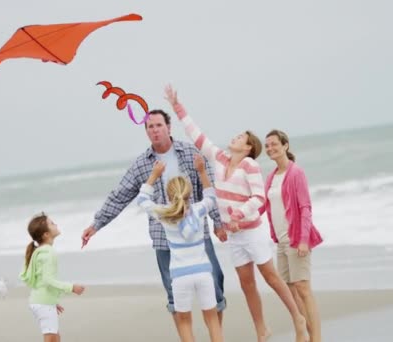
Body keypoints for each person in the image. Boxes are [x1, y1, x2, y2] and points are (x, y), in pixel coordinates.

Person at [165, 85, 308, 342]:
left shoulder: (249, 165)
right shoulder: (219, 159)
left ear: (249, 147)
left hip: (252, 231)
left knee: (271, 277)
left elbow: (258, 198)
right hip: (234, 236)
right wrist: (177, 107)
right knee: (246, 283)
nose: (235, 137)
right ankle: (261, 330)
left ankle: (298, 317)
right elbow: (197, 136)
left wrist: (239, 215)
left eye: (241, 137)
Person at [80, 109, 228, 330]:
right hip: (164, 239)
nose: (155, 130)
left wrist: (218, 222)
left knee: (215, 288)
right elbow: (120, 195)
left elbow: (208, 187)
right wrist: (96, 224)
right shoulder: (142, 164)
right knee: (175, 298)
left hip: (198, 234)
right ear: (146, 132)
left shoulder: (189, 152)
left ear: (169, 127)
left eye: (159, 125)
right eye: (150, 127)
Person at [136, 154, 223, 342]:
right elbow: (211, 195)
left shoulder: (164, 214)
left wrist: (154, 174)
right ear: (190, 193)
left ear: (169, 195)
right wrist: (201, 171)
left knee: (184, 322)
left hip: (180, 276)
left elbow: (142, 199)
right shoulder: (199, 210)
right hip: (203, 274)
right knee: (212, 320)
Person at [262, 129, 323, 341]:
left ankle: (316, 338)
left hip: (296, 239)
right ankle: (304, 335)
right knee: (290, 290)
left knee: (303, 289)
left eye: (273, 144)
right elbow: (262, 205)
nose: (270, 148)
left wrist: (304, 240)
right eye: (267, 145)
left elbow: (305, 208)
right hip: (280, 241)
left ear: (285, 145)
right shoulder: (271, 177)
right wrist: (240, 219)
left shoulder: (296, 173)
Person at [20, 213, 86, 342]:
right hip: (43, 303)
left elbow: (40, 281)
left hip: (42, 301)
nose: (55, 224)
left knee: (55, 338)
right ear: (46, 234)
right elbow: (47, 280)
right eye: (52, 223)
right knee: (51, 339)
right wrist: (71, 288)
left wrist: (52, 301)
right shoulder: (48, 252)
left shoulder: (42, 251)